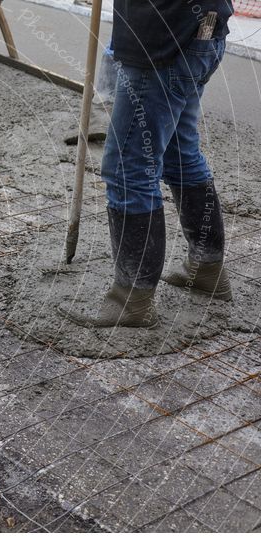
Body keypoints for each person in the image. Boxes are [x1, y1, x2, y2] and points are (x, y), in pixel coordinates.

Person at [61, 1, 234, 328]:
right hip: (202, 32)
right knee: (180, 154)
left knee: (128, 168)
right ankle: (207, 269)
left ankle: (131, 300)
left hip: (162, 40)